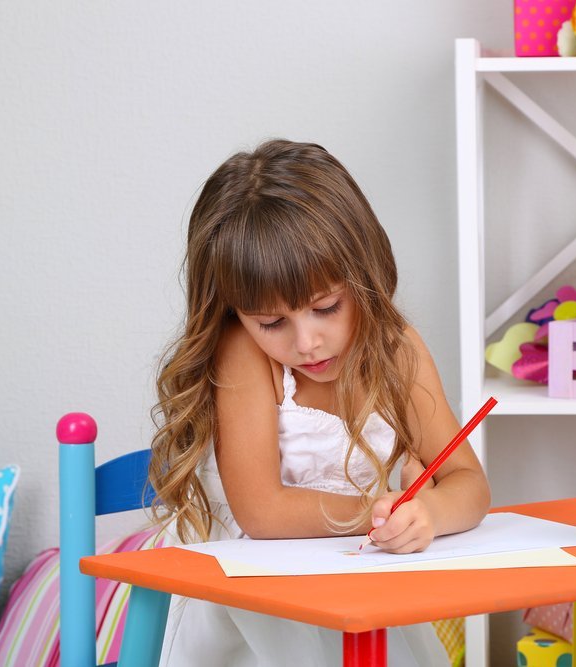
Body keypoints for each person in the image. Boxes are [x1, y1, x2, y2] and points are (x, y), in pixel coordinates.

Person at [148, 139, 491, 666]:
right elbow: (262, 512)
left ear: (364, 274)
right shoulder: (244, 355)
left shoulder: (396, 350)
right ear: (237, 312)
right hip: (252, 605)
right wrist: (376, 516)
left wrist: (430, 512)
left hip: (354, 592)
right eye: (271, 322)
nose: (305, 342)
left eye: (326, 307)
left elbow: (468, 480)